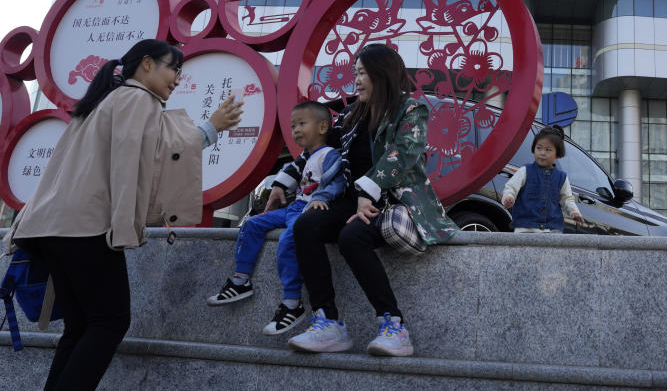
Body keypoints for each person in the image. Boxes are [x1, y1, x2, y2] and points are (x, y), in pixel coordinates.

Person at [3, 39, 243, 391]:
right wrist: (212, 127)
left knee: (81, 326)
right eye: (172, 68)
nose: (177, 78)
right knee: (110, 322)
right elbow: (157, 157)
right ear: (147, 64)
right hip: (86, 227)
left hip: (52, 226)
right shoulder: (137, 99)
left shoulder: (104, 101)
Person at [287, 43, 458, 356]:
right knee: (306, 225)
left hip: (396, 201)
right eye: (355, 73)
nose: (357, 80)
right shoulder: (353, 115)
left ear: (383, 73)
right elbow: (320, 145)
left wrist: (368, 191)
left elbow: (403, 153)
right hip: (352, 199)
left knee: (352, 236)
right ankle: (328, 322)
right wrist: (282, 181)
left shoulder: (411, 109)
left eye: (362, 73)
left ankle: (394, 325)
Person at [206, 100, 345, 336]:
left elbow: (337, 180)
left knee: (288, 241)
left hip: (307, 210)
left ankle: (292, 302)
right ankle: (241, 279)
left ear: (323, 127)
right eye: (293, 126)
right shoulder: (307, 155)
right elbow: (293, 173)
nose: (296, 130)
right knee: (252, 224)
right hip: (294, 207)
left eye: (302, 123)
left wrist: (321, 197)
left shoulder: (330, 154)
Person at [501, 126, 585, 233]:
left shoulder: (561, 177)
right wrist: (508, 197)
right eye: (539, 148)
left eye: (548, 149)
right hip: (525, 228)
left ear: (558, 154)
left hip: (552, 229)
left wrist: (574, 212)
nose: (542, 153)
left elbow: (567, 199)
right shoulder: (525, 171)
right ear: (533, 149)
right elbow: (511, 188)